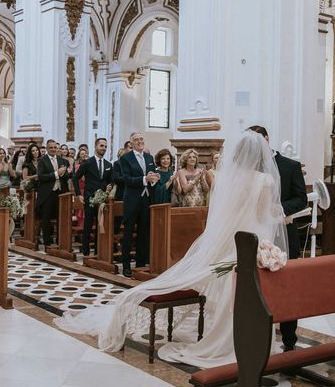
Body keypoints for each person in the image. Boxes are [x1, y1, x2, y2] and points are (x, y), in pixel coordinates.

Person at [56, 131, 289, 368]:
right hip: (254, 239)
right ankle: (244, 338)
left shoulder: (230, 179)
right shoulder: (264, 181)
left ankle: (227, 334)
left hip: (233, 240)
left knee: (231, 288)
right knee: (243, 290)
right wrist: (279, 215)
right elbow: (262, 214)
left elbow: (224, 213)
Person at [248, 125, 307, 352]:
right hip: (257, 234)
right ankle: (258, 336)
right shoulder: (251, 168)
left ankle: (289, 339)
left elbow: (301, 199)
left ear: (266, 139)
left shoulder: (290, 166)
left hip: (284, 234)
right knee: (257, 287)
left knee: (287, 285)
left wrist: (278, 209)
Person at [119, 132, 159, 277]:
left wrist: (155, 177)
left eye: (141, 139)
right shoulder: (125, 158)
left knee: (144, 232)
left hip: (146, 199)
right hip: (132, 200)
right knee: (128, 234)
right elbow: (127, 180)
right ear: (131, 143)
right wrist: (144, 178)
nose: (140, 141)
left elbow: (152, 175)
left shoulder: (149, 157)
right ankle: (126, 265)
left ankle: (141, 263)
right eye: (136, 140)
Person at [73, 138, 113, 256]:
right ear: (95, 147)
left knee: (100, 224)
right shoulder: (87, 162)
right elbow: (75, 178)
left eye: (105, 146)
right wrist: (78, 195)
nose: (104, 148)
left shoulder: (108, 164)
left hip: (103, 199)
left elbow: (111, 180)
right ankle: (86, 252)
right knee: (88, 225)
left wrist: (110, 186)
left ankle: (98, 250)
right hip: (90, 198)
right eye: (101, 146)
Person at [36, 139, 70, 246]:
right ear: (46, 149)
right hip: (47, 193)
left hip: (61, 193)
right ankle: (47, 242)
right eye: (51, 147)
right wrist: (56, 174)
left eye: (55, 147)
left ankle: (60, 240)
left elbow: (68, 176)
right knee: (46, 218)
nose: (53, 149)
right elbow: (41, 177)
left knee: (61, 217)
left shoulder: (63, 161)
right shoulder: (42, 160)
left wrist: (65, 174)